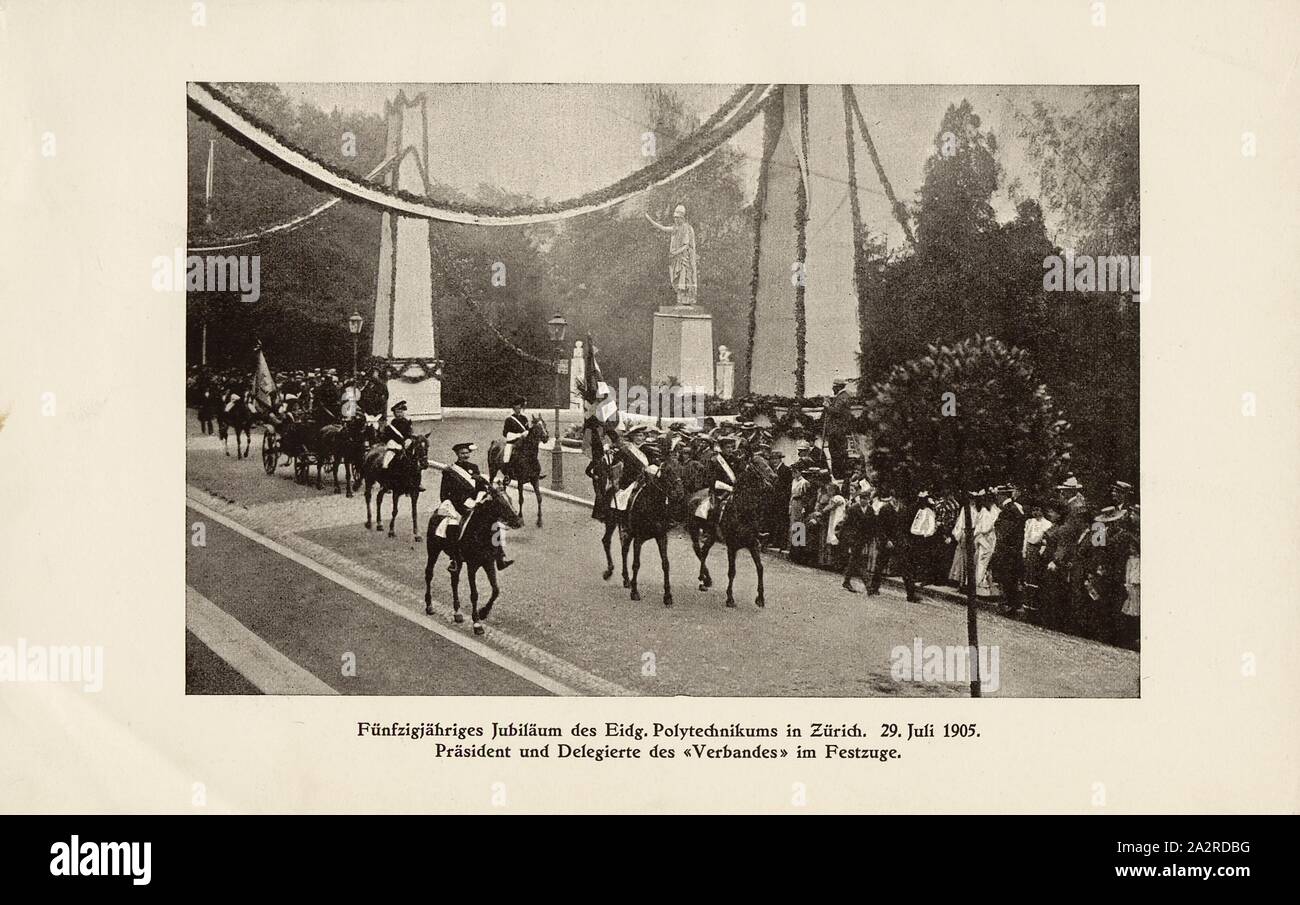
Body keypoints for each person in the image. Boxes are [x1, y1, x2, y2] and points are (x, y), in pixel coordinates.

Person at [435, 442, 512, 571]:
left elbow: (481, 487)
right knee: (453, 525)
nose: (465, 456)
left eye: (466, 453)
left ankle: (500, 556)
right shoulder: (449, 471)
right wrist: (451, 505)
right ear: (457, 455)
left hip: (474, 502)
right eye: (462, 453)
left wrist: (481, 497)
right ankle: (454, 558)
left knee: (494, 522)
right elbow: (444, 494)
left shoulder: (474, 468)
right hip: (457, 504)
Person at [644, 204, 698, 306]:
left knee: (684, 278)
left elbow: (686, 245)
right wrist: (650, 220)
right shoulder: (675, 228)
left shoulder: (687, 228)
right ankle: (681, 299)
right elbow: (662, 228)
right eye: (675, 218)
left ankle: (686, 300)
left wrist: (675, 253)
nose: (676, 220)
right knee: (677, 280)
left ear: (682, 218)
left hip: (683, 258)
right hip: (675, 258)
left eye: (678, 218)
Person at [991, 485, 1027, 614]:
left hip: (1007, 549)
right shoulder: (1014, 508)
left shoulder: (1008, 510)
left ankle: (1009, 604)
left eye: (997, 496)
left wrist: (999, 548)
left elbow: (1004, 533)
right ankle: (1011, 603)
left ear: (1002, 496)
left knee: (1006, 576)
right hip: (1012, 549)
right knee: (1010, 576)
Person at [840, 491, 876, 592]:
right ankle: (868, 584)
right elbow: (847, 525)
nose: (864, 501)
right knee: (857, 560)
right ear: (860, 499)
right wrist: (848, 539)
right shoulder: (853, 509)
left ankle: (846, 581)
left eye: (866, 499)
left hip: (863, 539)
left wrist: (870, 538)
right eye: (862, 498)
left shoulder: (870, 510)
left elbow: (872, 525)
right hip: (854, 538)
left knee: (854, 560)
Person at [501, 396, 529, 465]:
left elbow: (527, 429)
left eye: (519, 408)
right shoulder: (509, 420)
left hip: (523, 442)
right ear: (513, 409)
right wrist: (518, 435)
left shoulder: (524, 418)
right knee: (507, 454)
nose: (518, 410)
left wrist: (526, 433)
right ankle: (507, 472)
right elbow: (505, 433)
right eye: (517, 408)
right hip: (512, 442)